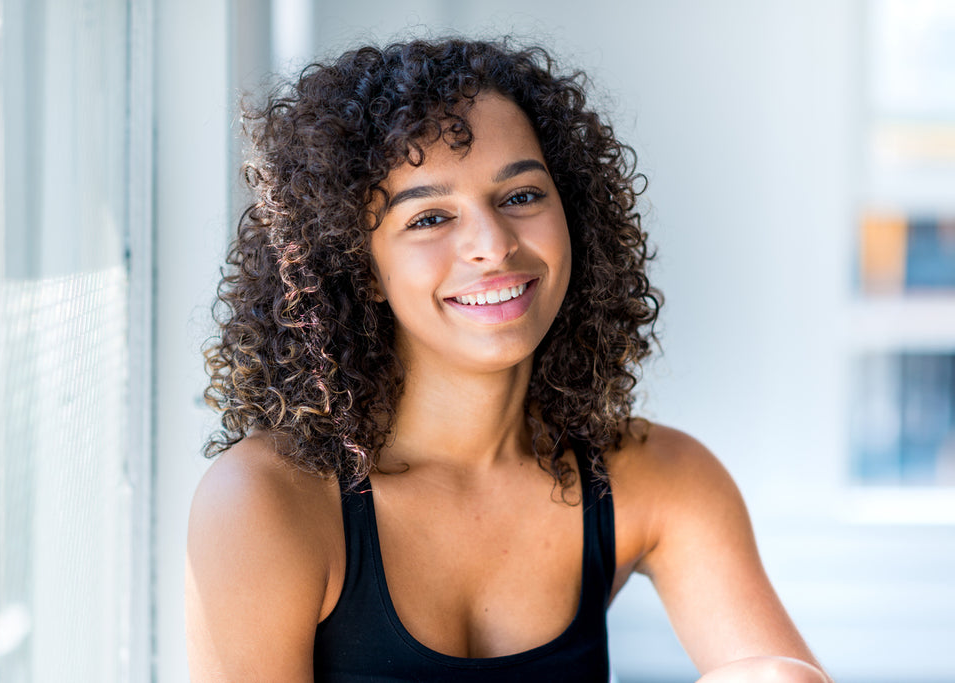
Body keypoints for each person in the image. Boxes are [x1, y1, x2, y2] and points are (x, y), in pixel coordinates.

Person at [186, 38, 831, 682]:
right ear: (361, 266)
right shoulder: (268, 501)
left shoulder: (658, 478)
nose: (493, 246)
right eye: (430, 217)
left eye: (520, 196)